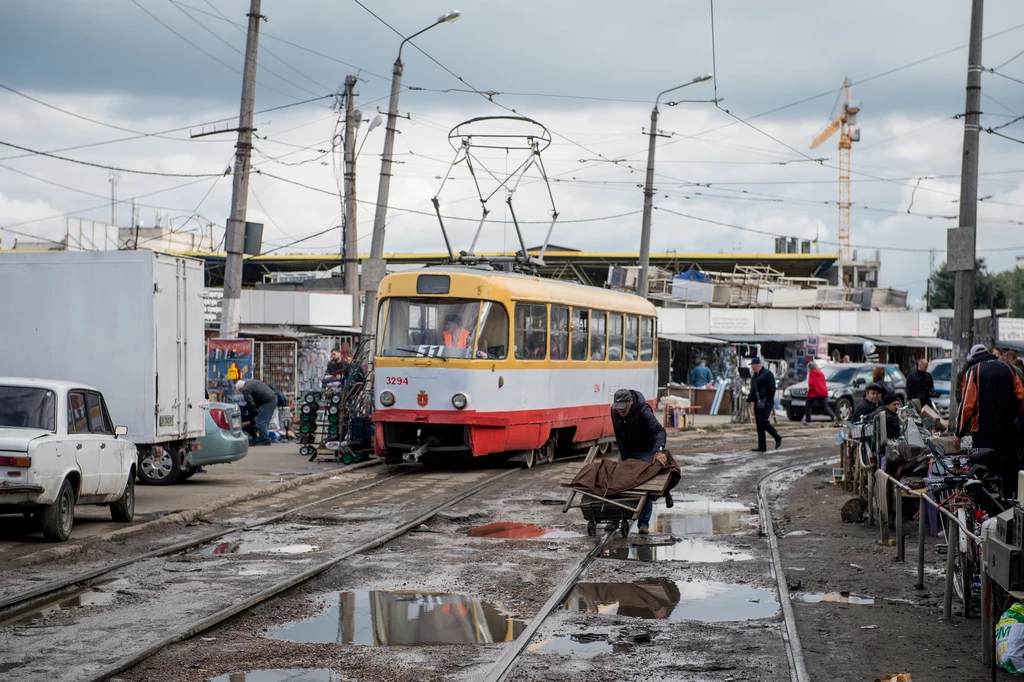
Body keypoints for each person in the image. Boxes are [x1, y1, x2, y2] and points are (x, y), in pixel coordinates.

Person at [956, 343, 1024, 498]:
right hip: (1007, 430)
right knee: (1009, 469)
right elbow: (1021, 397)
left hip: (982, 432)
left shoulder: (973, 371)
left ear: (973, 357)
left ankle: (984, 509)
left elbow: (967, 405)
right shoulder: (1008, 368)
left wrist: (959, 433)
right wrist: (1012, 416)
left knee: (981, 472)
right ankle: (1009, 501)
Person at [611, 388, 668, 535]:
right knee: (617, 481)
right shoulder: (614, 411)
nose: (621, 412)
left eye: (623, 408)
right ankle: (615, 518)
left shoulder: (643, 411)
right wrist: (624, 457)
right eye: (618, 409)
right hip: (628, 449)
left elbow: (660, 431)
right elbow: (619, 436)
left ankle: (643, 524)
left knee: (644, 486)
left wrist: (658, 450)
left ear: (630, 402)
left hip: (646, 450)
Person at [747, 357, 782, 452]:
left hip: (766, 401)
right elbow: (753, 390)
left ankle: (777, 437)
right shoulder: (754, 377)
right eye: (752, 366)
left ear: (758, 365)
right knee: (759, 424)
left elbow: (772, 389)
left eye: (754, 366)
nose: (753, 368)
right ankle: (762, 446)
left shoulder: (767, 374)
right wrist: (749, 399)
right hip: (757, 402)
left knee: (763, 421)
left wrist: (768, 401)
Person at [236, 379, 277, 446]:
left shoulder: (246, 389)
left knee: (261, 421)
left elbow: (251, 403)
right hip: (272, 398)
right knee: (264, 421)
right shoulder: (251, 382)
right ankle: (263, 438)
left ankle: (265, 440)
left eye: (240, 391)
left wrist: (255, 414)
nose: (241, 392)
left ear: (241, 388)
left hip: (268, 401)